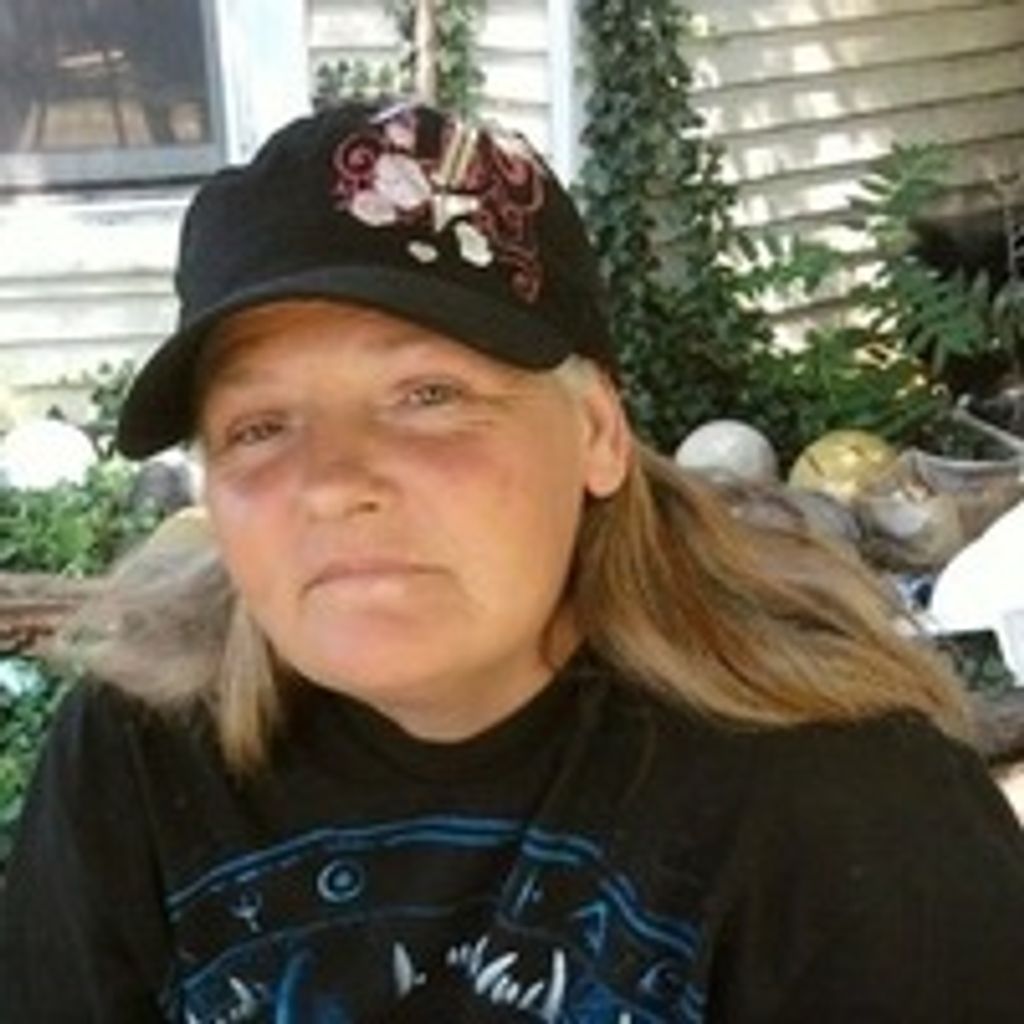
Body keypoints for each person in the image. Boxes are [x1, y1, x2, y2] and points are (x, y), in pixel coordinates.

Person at [1, 98, 1022, 1023]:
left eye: (428, 396)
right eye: (259, 426)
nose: (331, 484)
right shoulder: (141, 756)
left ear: (597, 434)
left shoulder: (846, 802)